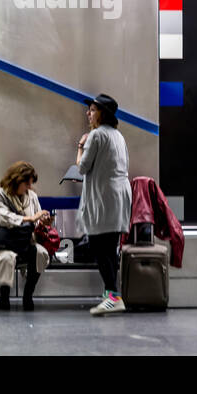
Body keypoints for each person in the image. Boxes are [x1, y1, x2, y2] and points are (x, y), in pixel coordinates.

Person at [76, 93, 132, 315]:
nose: (88, 113)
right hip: (119, 197)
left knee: (101, 248)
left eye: (92, 109)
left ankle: (113, 297)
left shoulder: (96, 135)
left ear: (102, 113)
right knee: (109, 249)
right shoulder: (118, 136)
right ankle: (110, 295)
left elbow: (82, 167)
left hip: (104, 198)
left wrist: (80, 147)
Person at [0, 161, 52, 310]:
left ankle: (28, 294)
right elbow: (1, 216)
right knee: (6, 258)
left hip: (26, 242)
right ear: (17, 180)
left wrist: (43, 223)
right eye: (27, 184)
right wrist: (28, 219)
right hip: (5, 243)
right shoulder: (0, 195)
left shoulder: (32, 196)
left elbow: (36, 222)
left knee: (41, 253)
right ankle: (4, 296)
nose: (29, 187)